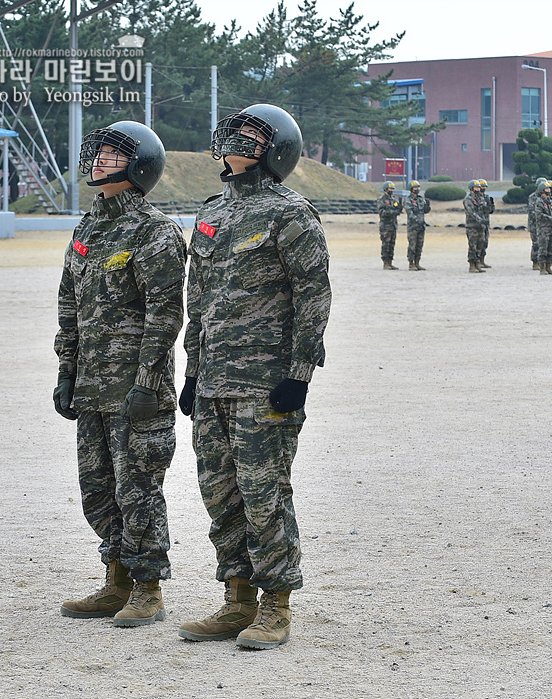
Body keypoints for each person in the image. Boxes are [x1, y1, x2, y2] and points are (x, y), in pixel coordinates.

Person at [178, 104, 331, 649]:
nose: (232, 141)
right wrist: (193, 371)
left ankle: (276, 605)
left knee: (264, 494)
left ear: (272, 150)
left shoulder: (290, 213)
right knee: (219, 495)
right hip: (215, 380)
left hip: (266, 385)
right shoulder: (212, 212)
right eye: (232, 133)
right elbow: (199, 302)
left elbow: (313, 297)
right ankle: (237, 599)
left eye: (247, 136)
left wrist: (299, 374)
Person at [54, 121, 186, 627]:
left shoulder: (153, 230)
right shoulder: (87, 227)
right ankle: (116, 580)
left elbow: (165, 312)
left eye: (112, 154)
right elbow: (70, 303)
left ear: (138, 166)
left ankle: (147, 588)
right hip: (92, 386)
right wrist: (67, 370)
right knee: (98, 489)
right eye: (99, 152)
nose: (99, 159)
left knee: (138, 488)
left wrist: (150, 382)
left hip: (136, 390)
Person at [533, 179, 552, 275]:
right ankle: (542, 268)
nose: (549, 190)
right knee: (543, 249)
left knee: (551, 248)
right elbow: (538, 215)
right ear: (542, 190)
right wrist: (550, 218)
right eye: (546, 189)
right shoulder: (539, 202)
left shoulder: (551, 201)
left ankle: (548, 267)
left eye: (549, 188)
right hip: (543, 229)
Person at [464, 180, 490, 273]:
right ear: (471, 188)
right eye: (476, 187)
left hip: (481, 226)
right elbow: (471, 212)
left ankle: (478, 263)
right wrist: (480, 220)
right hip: (472, 226)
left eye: (479, 187)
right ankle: (472, 264)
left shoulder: (481, 199)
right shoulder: (468, 199)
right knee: (472, 246)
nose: (478, 189)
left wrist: (489, 206)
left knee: (481, 244)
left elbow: (485, 211)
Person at [403, 180, 430, 271]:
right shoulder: (408, 200)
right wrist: (417, 220)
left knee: (419, 245)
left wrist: (428, 205)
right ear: (411, 189)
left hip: (421, 226)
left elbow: (425, 211)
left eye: (418, 187)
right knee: (412, 245)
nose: (417, 189)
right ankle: (411, 263)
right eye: (415, 187)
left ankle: (417, 262)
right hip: (413, 227)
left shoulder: (420, 199)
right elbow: (409, 213)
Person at [376, 181, 402, 269]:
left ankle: (390, 262)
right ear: (386, 189)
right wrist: (392, 212)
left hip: (393, 225)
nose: (392, 190)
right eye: (390, 189)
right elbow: (382, 212)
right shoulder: (382, 199)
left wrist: (399, 209)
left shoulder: (393, 200)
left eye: (393, 189)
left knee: (392, 244)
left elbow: (397, 209)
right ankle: (385, 262)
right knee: (385, 244)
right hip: (385, 226)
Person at [528, 176, 546, 270]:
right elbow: (533, 210)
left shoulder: (547, 197)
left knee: (544, 243)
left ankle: (544, 260)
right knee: (536, 243)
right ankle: (535, 262)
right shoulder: (533, 197)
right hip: (534, 224)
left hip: (544, 224)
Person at [478, 179, 496, 268]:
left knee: (485, 243)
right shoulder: (475, 199)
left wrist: (491, 205)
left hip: (486, 223)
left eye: (485, 186)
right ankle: (476, 261)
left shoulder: (487, 197)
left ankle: (482, 260)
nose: (483, 188)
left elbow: (490, 211)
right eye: (482, 186)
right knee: (478, 243)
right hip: (478, 224)